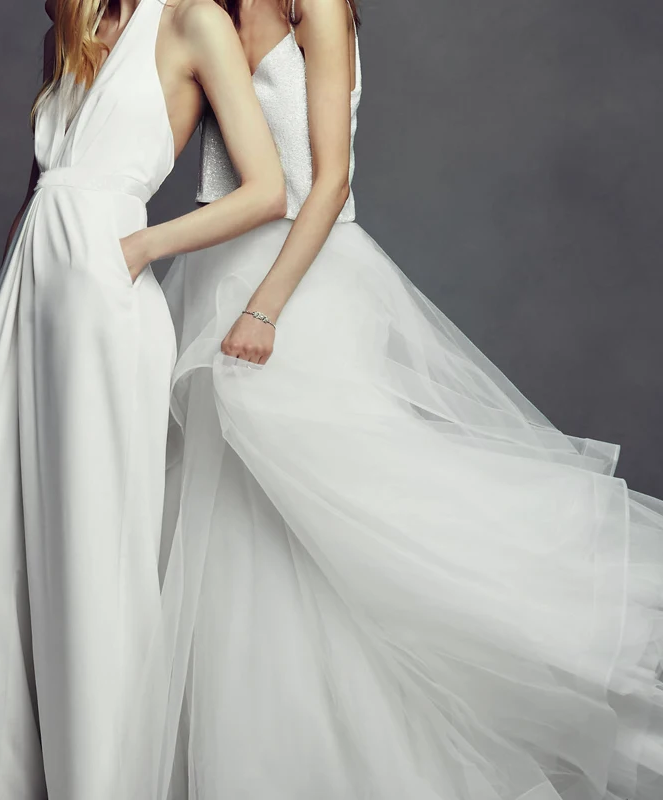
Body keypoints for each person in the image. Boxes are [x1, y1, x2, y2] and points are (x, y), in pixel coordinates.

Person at [161, 0, 663, 798]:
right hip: (211, 275)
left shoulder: (316, 7)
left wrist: (265, 309)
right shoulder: (203, 13)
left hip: (300, 287)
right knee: (237, 528)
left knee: (350, 522)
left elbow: (330, 181)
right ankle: (282, 757)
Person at [0, 1, 285, 798]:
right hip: (31, 305)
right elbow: (41, 192)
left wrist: (138, 247)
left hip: (105, 305)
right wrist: (14, 298)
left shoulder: (192, 20)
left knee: (90, 563)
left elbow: (267, 189)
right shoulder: (65, 34)